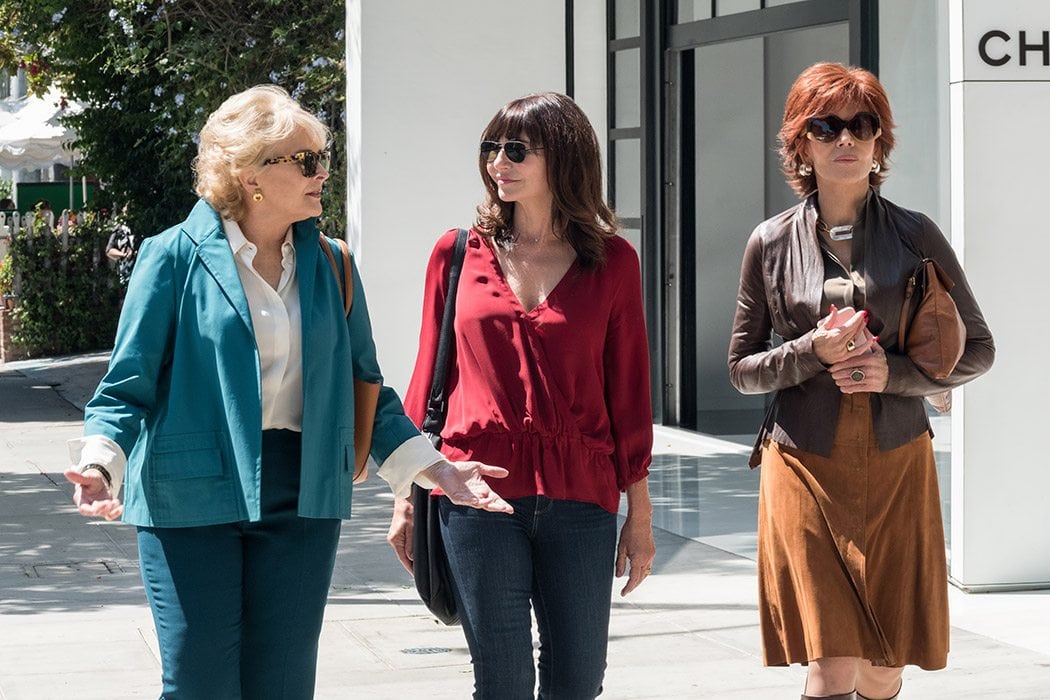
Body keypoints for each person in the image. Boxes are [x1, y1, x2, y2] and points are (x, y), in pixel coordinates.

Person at [62, 84, 512, 700]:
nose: (321, 172)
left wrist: (436, 471)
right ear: (249, 173)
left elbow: (365, 388)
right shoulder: (171, 258)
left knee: (283, 684)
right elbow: (125, 386)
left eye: (322, 158)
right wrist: (100, 465)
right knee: (200, 683)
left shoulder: (332, 263)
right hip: (189, 495)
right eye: (304, 160)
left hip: (303, 492)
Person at [727, 63, 995, 700]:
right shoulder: (769, 242)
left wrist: (891, 374)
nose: (844, 138)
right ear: (802, 144)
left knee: (882, 665)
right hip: (803, 461)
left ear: (879, 141)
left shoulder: (915, 234)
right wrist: (811, 351)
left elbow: (979, 349)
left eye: (861, 124)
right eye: (825, 127)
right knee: (831, 664)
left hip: (896, 460)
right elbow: (741, 368)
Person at [387, 92, 656, 699]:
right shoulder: (456, 253)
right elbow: (427, 376)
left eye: (516, 150)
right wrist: (407, 495)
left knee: (577, 681)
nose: (497, 163)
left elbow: (629, 394)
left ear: (563, 158)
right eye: (491, 148)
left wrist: (639, 515)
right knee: (501, 681)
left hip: (582, 496)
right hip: (474, 490)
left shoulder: (613, 262)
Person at [105, 207, 137, 285]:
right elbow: (109, 251)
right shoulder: (119, 229)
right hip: (126, 272)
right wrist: (123, 254)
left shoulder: (141, 225)